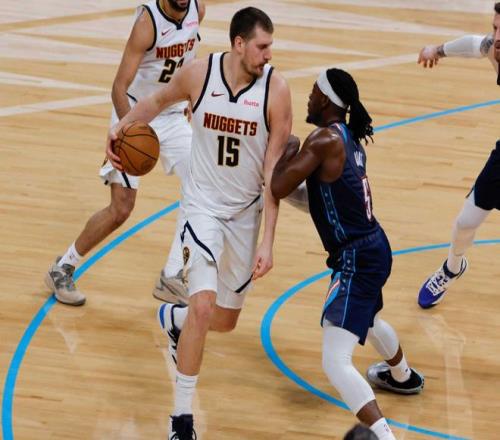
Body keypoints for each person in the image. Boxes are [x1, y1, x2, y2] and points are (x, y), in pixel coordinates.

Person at [106, 7, 292, 439]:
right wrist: (120, 128)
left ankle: (174, 319)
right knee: (204, 306)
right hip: (202, 207)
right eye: (262, 46)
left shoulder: (276, 91)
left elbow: (274, 175)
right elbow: (155, 102)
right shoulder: (199, 74)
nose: (269, 55)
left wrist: (268, 242)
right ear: (239, 44)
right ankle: (181, 420)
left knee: (221, 321)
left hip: (245, 214)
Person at [271, 68, 424, 440]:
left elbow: (276, 185)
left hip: (356, 258)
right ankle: (402, 376)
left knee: (335, 362)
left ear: (325, 99)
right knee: (368, 321)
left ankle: (384, 437)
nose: (308, 98)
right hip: (374, 246)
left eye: (313, 92)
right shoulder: (347, 138)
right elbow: (319, 203)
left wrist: (285, 151)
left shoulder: (322, 140)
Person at [44, 0, 205, 306]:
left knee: (201, 186)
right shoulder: (147, 22)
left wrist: (190, 98)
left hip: (171, 115)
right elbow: (119, 86)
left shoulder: (198, 9)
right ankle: (62, 267)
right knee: (121, 209)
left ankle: (171, 276)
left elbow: (189, 58)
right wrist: (127, 129)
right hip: (134, 114)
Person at [416, 2, 500, 309]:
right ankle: (452, 267)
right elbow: (474, 44)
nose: (497, 36)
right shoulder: (494, 49)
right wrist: (436, 51)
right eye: (495, 27)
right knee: (466, 222)